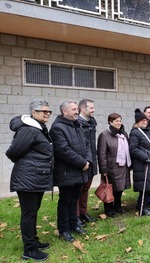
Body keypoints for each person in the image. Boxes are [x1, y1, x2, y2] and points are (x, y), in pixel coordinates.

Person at [6, 99, 53, 261]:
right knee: (29, 214)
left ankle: (33, 241)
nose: (47, 113)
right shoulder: (29, 130)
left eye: (49, 111)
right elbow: (12, 152)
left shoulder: (38, 128)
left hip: (36, 178)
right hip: (28, 178)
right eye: (43, 111)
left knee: (33, 213)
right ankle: (30, 250)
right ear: (33, 113)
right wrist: (28, 165)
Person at [49, 100, 92, 243]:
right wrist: (82, 163)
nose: (77, 112)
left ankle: (74, 225)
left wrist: (88, 161)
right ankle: (64, 229)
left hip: (80, 171)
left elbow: (87, 145)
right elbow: (63, 150)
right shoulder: (57, 128)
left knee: (74, 200)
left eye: (76, 109)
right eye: (73, 109)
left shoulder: (77, 125)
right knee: (65, 201)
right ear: (64, 111)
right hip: (66, 172)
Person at [97, 113, 131, 217]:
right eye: (116, 121)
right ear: (110, 122)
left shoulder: (124, 134)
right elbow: (101, 153)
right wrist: (104, 168)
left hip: (123, 166)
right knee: (109, 188)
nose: (119, 123)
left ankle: (118, 206)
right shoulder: (104, 135)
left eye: (120, 120)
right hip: (111, 167)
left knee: (120, 188)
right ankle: (109, 209)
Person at [129, 109, 150, 216]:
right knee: (144, 187)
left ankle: (142, 205)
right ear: (138, 122)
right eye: (142, 120)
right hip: (142, 164)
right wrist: (145, 157)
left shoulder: (147, 131)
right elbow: (133, 149)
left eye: (145, 120)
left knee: (148, 186)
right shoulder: (135, 133)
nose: (145, 122)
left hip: (149, 162)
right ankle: (143, 209)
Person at [77, 99, 97, 225]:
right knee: (78, 191)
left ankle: (83, 213)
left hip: (92, 161)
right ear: (83, 109)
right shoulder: (77, 123)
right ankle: (76, 215)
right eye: (91, 108)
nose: (93, 110)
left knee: (85, 189)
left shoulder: (92, 123)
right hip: (82, 163)